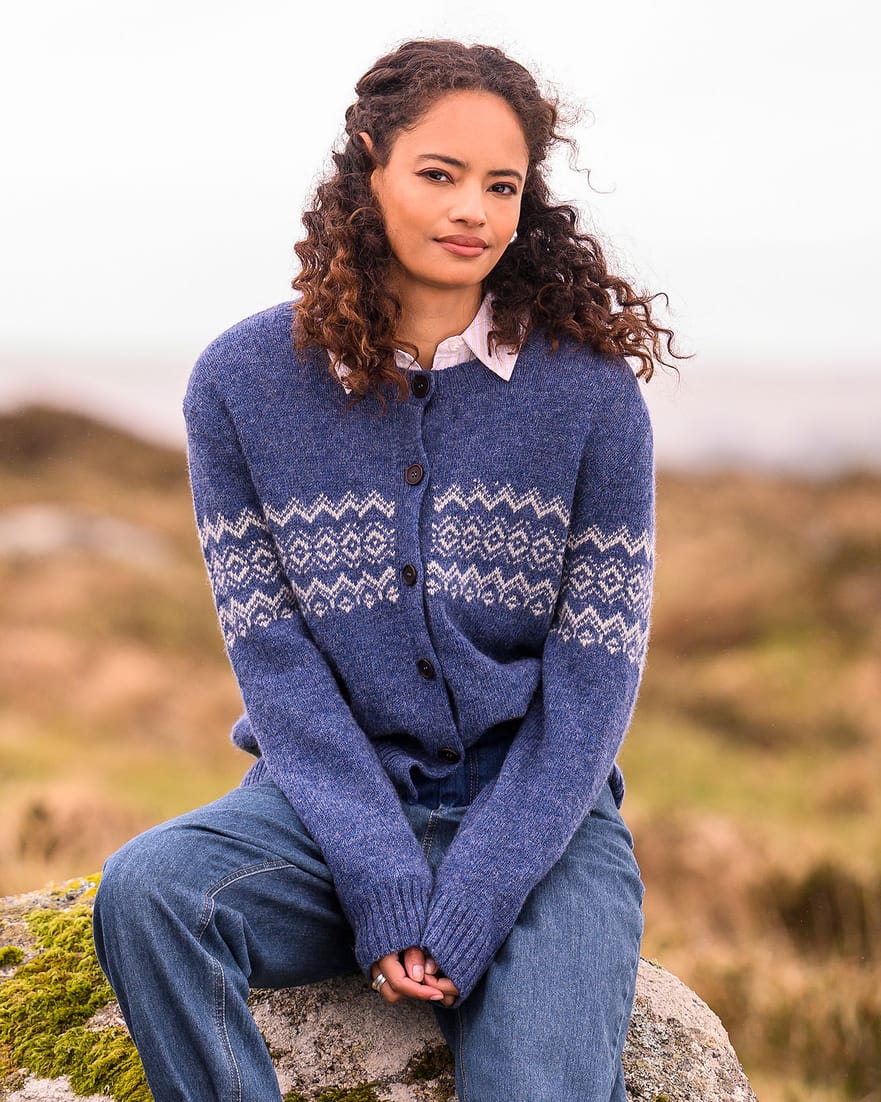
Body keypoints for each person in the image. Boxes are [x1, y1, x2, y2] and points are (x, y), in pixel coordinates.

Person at [93, 38, 681, 1102]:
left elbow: (592, 683)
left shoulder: (590, 398)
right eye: (438, 174)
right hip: (326, 809)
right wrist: (379, 874)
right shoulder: (241, 384)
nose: (473, 210)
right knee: (152, 892)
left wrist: (473, 895)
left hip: (541, 825)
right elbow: (273, 660)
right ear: (367, 164)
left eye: (500, 185)